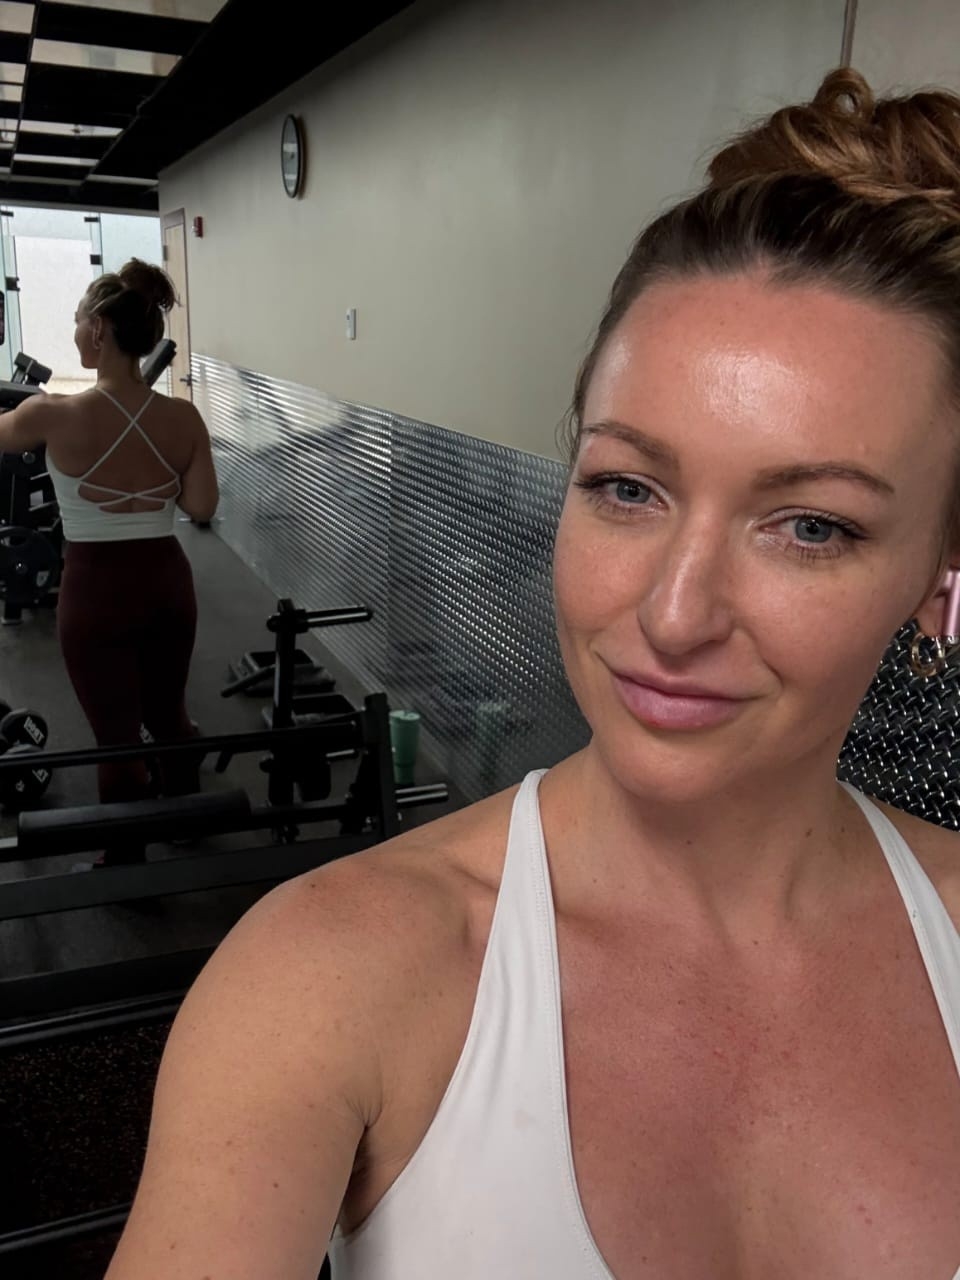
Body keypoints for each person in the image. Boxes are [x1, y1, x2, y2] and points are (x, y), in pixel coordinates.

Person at [106, 69, 960, 1278]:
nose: (673, 613)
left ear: (936, 575)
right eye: (627, 486)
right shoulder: (333, 975)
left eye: (811, 525)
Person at [0, 260, 218, 853]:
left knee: (117, 735)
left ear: (98, 328)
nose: (74, 330)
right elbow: (201, 506)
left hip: (95, 593)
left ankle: (127, 860)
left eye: (77, 319)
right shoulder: (183, 417)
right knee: (170, 714)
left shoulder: (52, 414)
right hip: (167, 585)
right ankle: (190, 830)